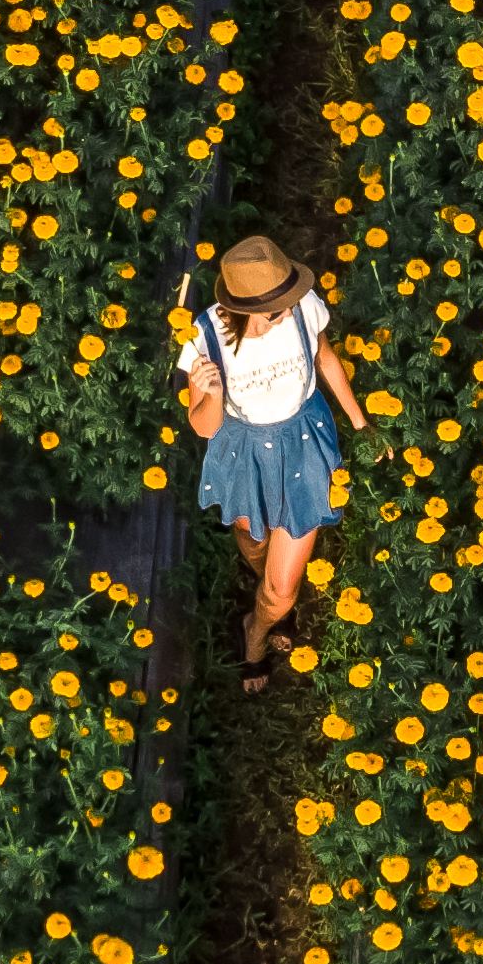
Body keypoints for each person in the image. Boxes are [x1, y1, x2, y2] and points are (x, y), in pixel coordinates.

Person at [177, 233, 368, 689]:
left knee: (282, 591)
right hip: (243, 451)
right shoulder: (206, 339)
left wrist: (361, 424)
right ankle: (263, 592)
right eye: (277, 305)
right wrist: (215, 394)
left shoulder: (300, 306)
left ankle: (257, 632)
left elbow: (323, 356)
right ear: (244, 308)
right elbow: (203, 427)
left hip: (303, 441)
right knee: (254, 540)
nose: (291, 306)